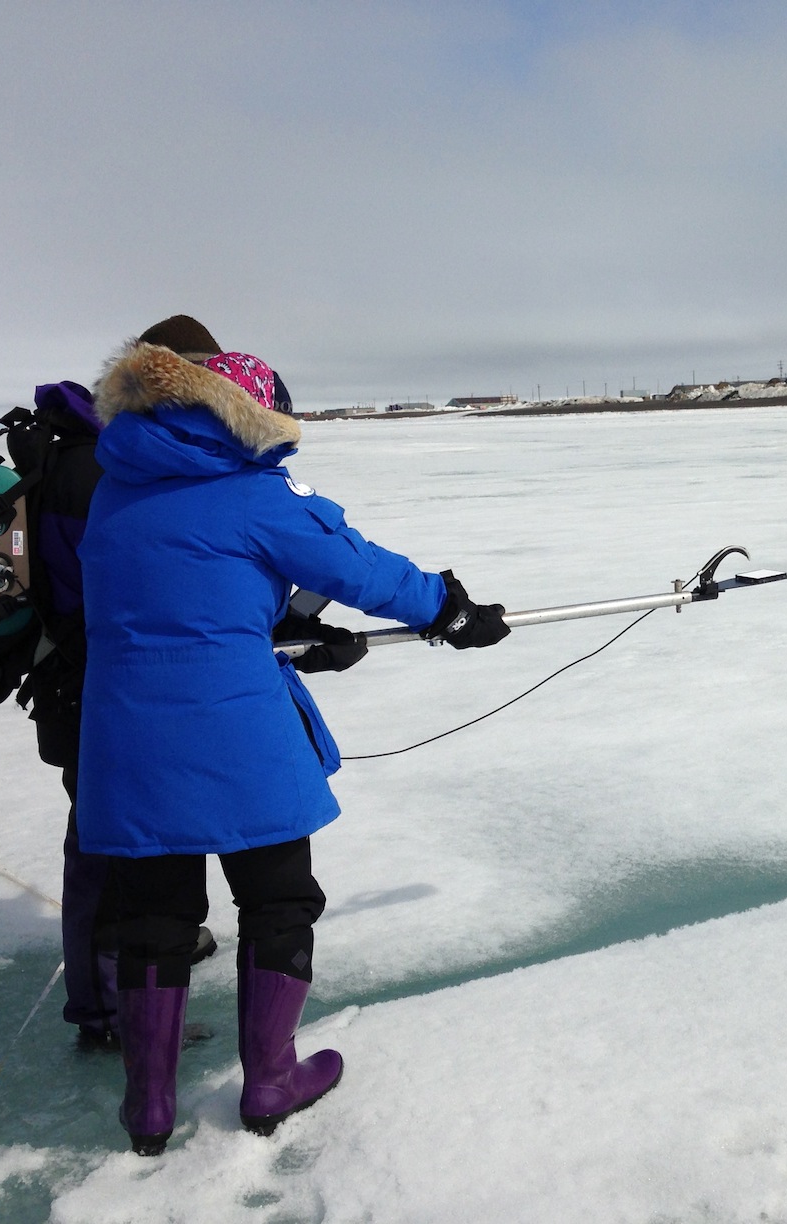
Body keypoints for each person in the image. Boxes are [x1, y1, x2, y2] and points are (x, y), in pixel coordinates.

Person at [78, 337, 509, 1155]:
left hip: (126, 737)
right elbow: (357, 567)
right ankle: (271, 1081)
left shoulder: (117, 489)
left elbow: (187, 590)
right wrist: (447, 609)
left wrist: (283, 621)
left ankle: (148, 1107)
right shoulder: (252, 497)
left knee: (154, 918)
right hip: (234, 730)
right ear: (247, 420)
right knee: (278, 900)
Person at [24, 317, 225, 1051]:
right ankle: (110, 1014)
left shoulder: (98, 456)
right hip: (94, 689)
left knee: (115, 846)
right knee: (112, 854)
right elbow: (111, 590)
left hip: (88, 684)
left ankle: (131, 974)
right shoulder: (98, 467)